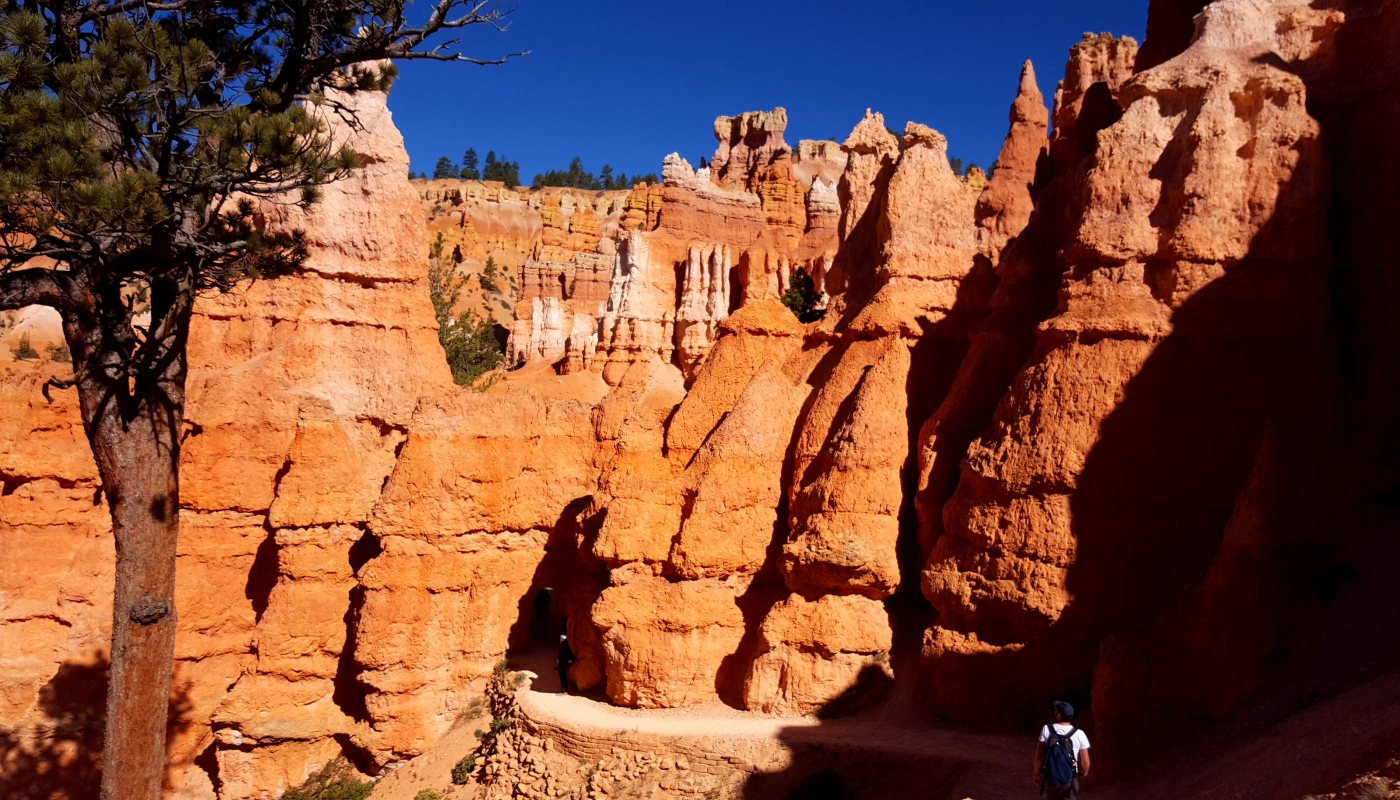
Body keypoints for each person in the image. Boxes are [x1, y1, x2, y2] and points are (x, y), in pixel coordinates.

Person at [1034, 700, 1091, 798]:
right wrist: (1084, 771)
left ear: (1059, 715)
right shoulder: (1080, 733)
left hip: (1052, 777)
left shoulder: (1047, 729)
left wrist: (1036, 773)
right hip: (1070, 778)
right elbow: (1085, 760)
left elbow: (1039, 755)